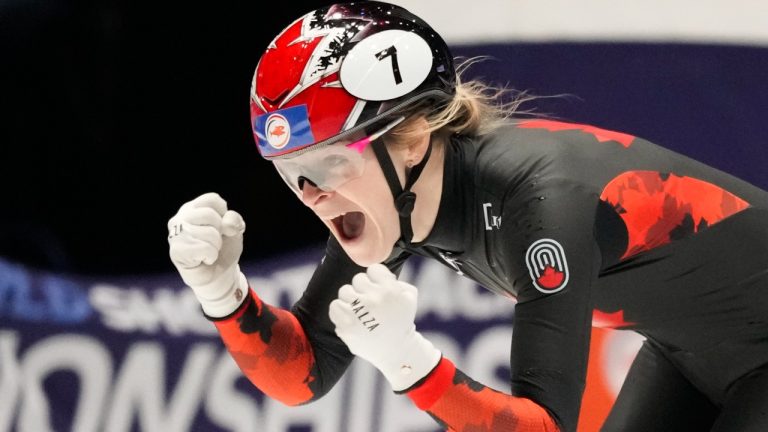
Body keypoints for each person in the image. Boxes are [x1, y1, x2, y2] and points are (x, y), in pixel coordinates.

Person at [167, 2, 768, 431]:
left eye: (327, 163)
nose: (310, 193)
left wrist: (409, 360)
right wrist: (223, 292)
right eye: (289, 170)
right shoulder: (391, 195)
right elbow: (305, 375)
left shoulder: (542, 201)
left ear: (412, 136)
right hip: (694, 352)